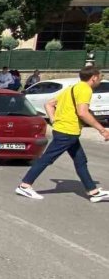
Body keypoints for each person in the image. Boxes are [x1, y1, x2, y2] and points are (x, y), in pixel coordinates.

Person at [16, 66, 109, 202]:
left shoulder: (72, 88)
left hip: (66, 130)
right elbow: (83, 112)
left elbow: (49, 104)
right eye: (100, 77)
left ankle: (93, 191)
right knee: (47, 159)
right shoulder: (85, 89)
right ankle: (25, 185)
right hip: (67, 132)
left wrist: (54, 120)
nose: (101, 80)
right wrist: (102, 129)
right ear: (94, 77)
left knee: (80, 161)